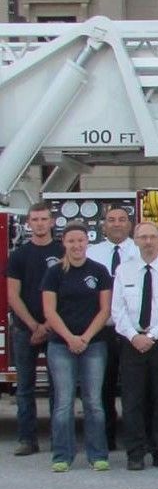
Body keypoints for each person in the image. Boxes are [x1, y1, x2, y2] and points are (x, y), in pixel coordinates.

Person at [112, 222, 158, 471]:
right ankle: (135, 453)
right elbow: (117, 310)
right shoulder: (124, 271)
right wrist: (135, 336)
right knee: (132, 400)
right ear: (135, 240)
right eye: (143, 237)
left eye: (153, 236)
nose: (148, 241)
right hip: (132, 343)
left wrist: (152, 335)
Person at [41, 223, 113, 472]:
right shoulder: (54, 273)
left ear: (87, 242)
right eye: (71, 241)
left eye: (81, 241)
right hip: (61, 346)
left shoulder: (100, 271)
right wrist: (70, 338)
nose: (77, 245)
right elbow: (49, 311)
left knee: (94, 402)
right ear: (64, 243)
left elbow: (105, 310)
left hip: (94, 345)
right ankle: (62, 456)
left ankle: (98, 455)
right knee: (63, 402)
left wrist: (85, 337)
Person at [6, 202, 63, 456]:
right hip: (24, 329)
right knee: (25, 387)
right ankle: (27, 439)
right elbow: (12, 295)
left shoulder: (64, 251)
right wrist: (33, 325)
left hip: (57, 328)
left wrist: (49, 324)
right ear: (28, 223)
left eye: (44, 219)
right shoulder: (18, 256)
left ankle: (58, 438)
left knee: (58, 386)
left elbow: (68, 292)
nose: (39, 224)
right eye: (35, 220)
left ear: (52, 222)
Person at [87, 206, 138, 451]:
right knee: (103, 386)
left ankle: (136, 438)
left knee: (134, 387)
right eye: (111, 220)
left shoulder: (140, 250)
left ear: (130, 224)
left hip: (133, 331)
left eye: (122, 220)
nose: (116, 224)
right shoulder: (91, 253)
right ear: (103, 226)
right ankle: (106, 438)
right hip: (103, 330)